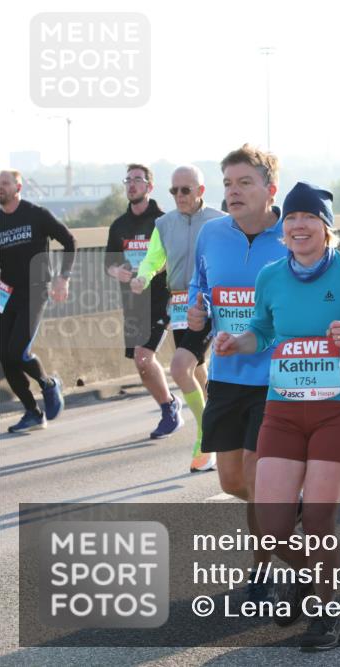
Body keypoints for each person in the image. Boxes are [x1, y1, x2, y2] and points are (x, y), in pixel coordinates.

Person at [214, 182, 340, 651]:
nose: (298, 225)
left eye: (308, 218)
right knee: (271, 525)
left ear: (326, 227)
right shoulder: (271, 276)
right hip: (284, 411)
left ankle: (328, 612)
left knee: (316, 517)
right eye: (291, 218)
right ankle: (310, 576)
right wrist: (237, 343)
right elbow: (260, 331)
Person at [187, 144, 286, 602]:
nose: (234, 192)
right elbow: (199, 283)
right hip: (227, 374)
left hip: (279, 377)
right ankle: (288, 519)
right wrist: (197, 308)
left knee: (257, 476)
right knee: (232, 482)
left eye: (245, 182)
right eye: (228, 183)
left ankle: (262, 569)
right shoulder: (211, 233)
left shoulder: (295, 232)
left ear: (270, 189)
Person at [132, 165, 225, 472]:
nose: (179, 196)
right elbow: (153, 258)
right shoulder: (164, 223)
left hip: (209, 304)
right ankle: (218, 420)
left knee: (179, 367)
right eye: (174, 190)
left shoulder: (220, 222)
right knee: (197, 371)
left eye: (186, 190)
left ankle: (206, 437)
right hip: (180, 305)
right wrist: (142, 278)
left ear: (200, 191)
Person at [105, 164, 182, 439]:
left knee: (143, 356)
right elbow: (109, 264)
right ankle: (169, 403)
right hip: (133, 303)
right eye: (128, 180)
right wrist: (119, 272)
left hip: (161, 299)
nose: (131, 184)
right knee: (141, 363)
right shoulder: (119, 226)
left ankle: (170, 409)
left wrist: (151, 271)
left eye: (138, 180)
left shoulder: (163, 221)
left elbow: (174, 258)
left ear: (149, 186)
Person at [0, 169, 72, 432]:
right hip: (7, 293)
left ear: (18, 187)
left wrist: (63, 278)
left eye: (5, 183)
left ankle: (48, 384)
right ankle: (32, 412)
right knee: (5, 357)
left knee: (19, 351)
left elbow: (70, 241)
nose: (0, 188)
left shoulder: (36, 214)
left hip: (35, 289)